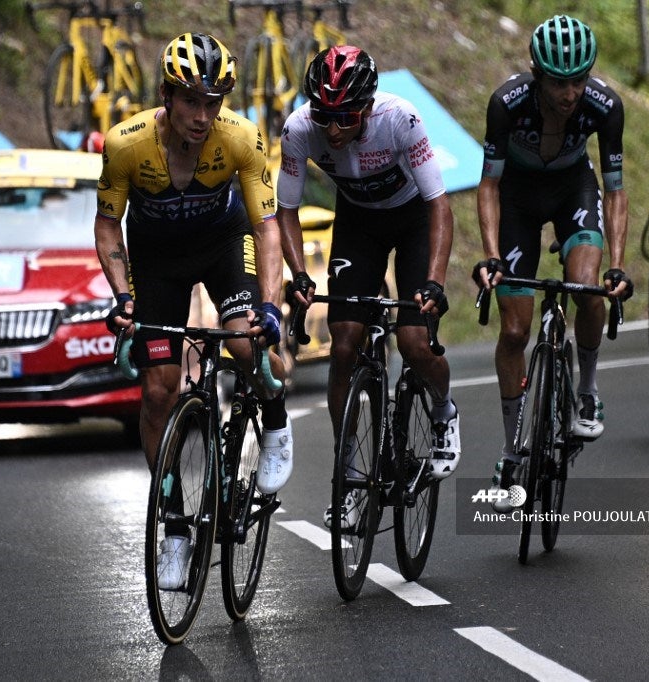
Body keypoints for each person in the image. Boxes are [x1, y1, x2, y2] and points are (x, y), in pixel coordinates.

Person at [95, 33, 293, 588]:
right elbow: (108, 225)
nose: (203, 116)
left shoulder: (241, 138)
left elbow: (266, 227)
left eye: (213, 102)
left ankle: (274, 415)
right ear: (166, 96)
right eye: (191, 101)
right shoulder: (125, 145)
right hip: (158, 261)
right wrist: (123, 297)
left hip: (223, 245)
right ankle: (176, 530)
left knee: (244, 343)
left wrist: (270, 307)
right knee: (159, 391)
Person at [276, 45, 460, 526]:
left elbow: (439, 206)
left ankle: (443, 409)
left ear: (368, 106)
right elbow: (286, 210)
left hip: (413, 220)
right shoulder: (299, 129)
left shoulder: (400, 120)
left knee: (415, 341)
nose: (333, 130)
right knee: (343, 345)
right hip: (358, 224)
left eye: (346, 117)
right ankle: (348, 472)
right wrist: (299, 273)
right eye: (324, 116)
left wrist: (434, 282)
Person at [472, 15, 632, 504]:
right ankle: (511, 450)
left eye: (579, 80)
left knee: (588, 287)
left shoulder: (606, 107)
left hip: (572, 190)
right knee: (514, 331)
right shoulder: (507, 103)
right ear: (537, 75)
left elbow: (616, 191)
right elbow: (489, 185)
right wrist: (492, 256)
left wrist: (618, 264)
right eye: (559, 83)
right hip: (517, 197)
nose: (570, 93)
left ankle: (587, 390)